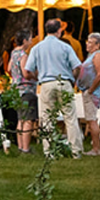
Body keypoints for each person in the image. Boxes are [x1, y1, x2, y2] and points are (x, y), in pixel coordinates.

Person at [25, 19, 85, 157]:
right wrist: (73, 79)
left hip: (46, 83)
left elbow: (27, 70)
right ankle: (76, 151)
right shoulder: (65, 47)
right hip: (64, 82)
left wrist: (37, 78)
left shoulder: (37, 48)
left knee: (47, 119)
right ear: (59, 31)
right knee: (70, 118)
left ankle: (49, 152)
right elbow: (77, 66)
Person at [6, 23, 38, 153]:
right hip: (26, 90)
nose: (31, 41)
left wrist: (15, 77)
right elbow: (25, 72)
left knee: (20, 119)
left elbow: (8, 69)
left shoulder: (13, 53)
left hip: (16, 90)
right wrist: (34, 76)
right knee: (28, 120)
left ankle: (20, 146)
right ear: (25, 41)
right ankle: (26, 148)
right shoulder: (24, 55)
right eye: (30, 38)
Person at [76, 32, 100, 154]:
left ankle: (96, 148)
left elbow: (99, 74)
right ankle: (95, 147)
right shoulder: (92, 55)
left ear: (97, 45)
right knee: (90, 119)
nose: (87, 44)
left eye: (90, 42)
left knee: (91, 119)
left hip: (92, 92)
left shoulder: (98, 56)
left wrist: (90, 90)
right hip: (88, 90)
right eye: (87, 41)